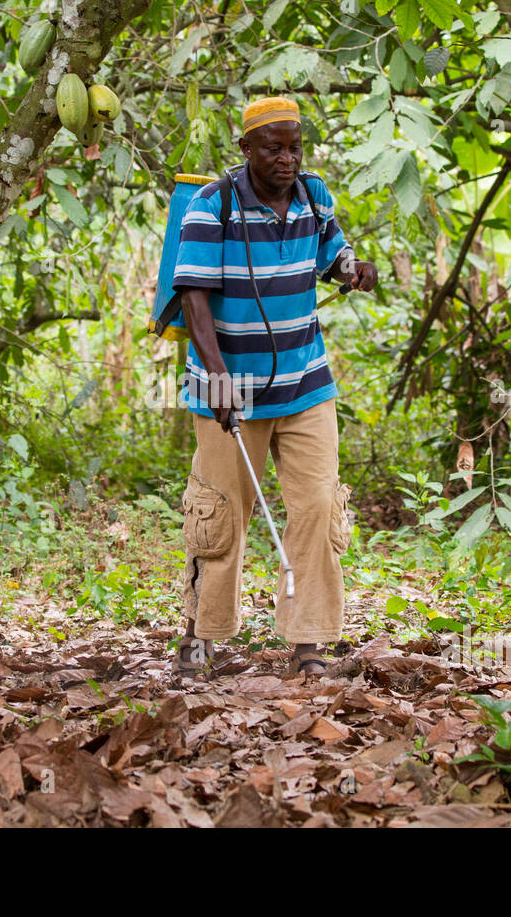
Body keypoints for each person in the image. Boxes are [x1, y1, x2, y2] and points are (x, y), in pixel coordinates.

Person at [170, 96, 378, 677]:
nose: (287, 158)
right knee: (221, 512)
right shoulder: (213, 207)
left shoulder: (314, 195)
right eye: (274, 148)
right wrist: (215, 377)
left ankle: (309, 643)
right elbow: (195, 299)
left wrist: (354, 270)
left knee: (317, 506)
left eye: (294, 147)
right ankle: (201, 635)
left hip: (306, 383)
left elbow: (334, 254)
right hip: (229, 386)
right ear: (246, 150)